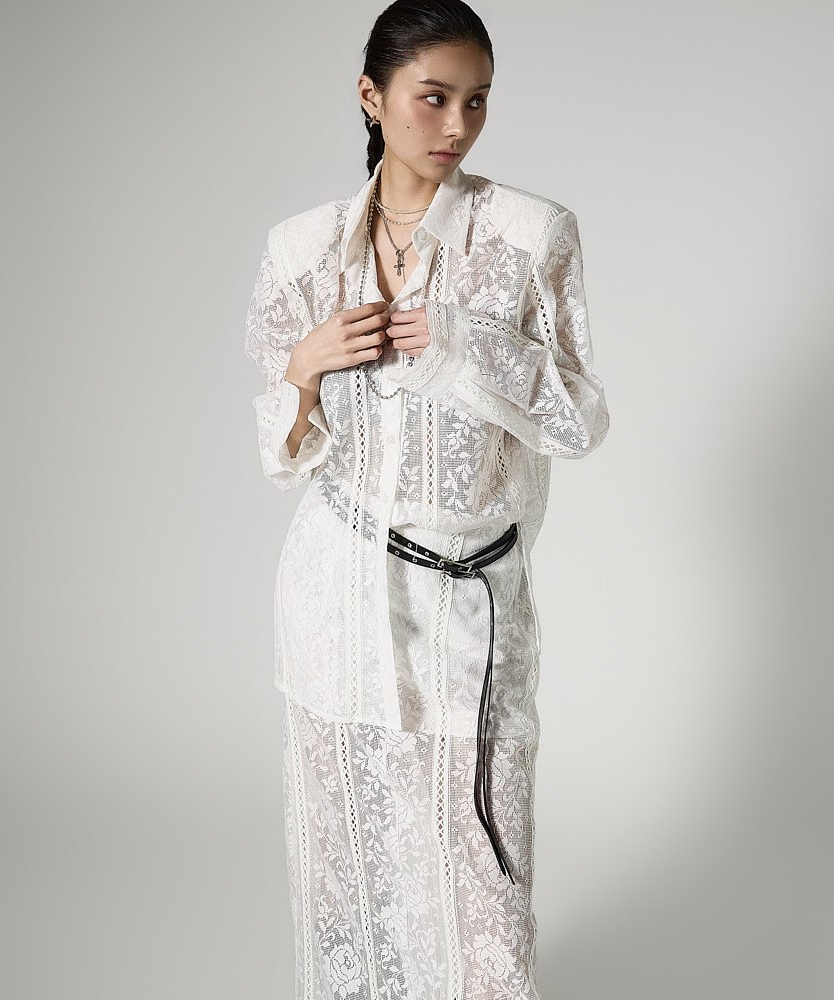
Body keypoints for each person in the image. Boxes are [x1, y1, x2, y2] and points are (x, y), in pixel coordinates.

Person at [243, 2, 609, 996]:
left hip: (470, 601)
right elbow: (284, 455)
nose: (457, 126)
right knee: (354, 862)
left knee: (485, 869)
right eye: (433, 98)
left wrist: (464, 342)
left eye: (476, 101)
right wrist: (305, 366)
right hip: (337, 594)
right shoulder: (302, 251)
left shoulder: (529, 236)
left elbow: (579, 419)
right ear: (372, 97)